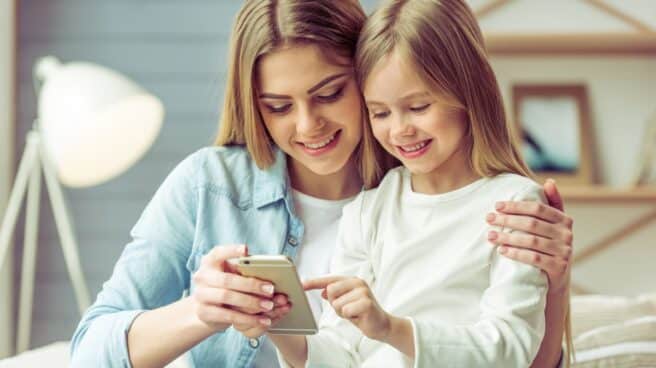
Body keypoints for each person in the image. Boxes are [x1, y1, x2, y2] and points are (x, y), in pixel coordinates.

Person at [70, 1, 573, 367]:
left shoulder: (417, 193)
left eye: (330, 93)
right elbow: (90, 352)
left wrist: (556, 280)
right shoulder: (211, 185)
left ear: (368, 74)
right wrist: (203, 312)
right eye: (278, 106)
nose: (308, 125)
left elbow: (518, 352)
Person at [263, 0, 573, 367]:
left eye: (418, 107)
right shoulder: (368, 210)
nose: (399, 130)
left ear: (466, 91)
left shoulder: (513, 204)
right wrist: (283, 331)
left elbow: (509, 347)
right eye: (380, 112)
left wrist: (390, 328)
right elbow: (342, 352)